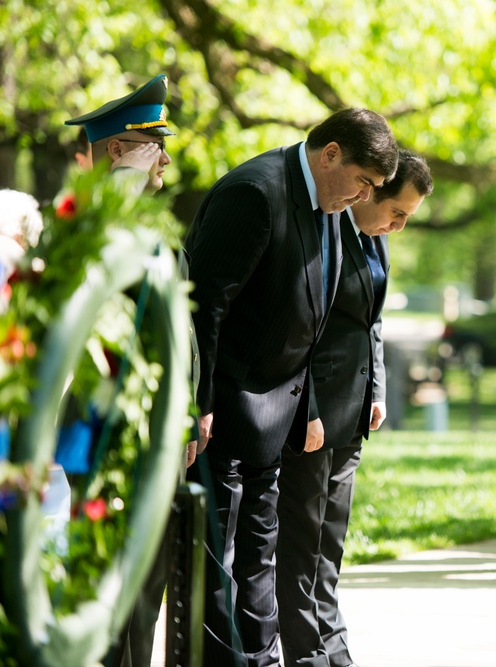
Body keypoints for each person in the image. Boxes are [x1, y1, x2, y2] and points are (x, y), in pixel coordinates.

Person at [185, 107, 398, 667]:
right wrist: (196, 405)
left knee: (260, 555)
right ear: (330, 154)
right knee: (218, 560)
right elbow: (204, 306)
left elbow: (312, 318)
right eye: (363, 182)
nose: (364, 197)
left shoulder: (328, 202)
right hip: (224, 410)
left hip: (278, 413)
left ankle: (261, 659)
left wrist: (306, 409)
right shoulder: (256, 193)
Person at [276, 150, 433, 667]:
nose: (399, 225)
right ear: (370, 193)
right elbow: (303, 330)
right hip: (312, 411)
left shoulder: (376, 240)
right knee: (301, 539)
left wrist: (380, 391)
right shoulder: (327, 227)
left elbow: (373, 322)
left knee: (330, 541)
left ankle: (332, 643)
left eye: (407, 217)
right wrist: (311, 409)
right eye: (397, 212)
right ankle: (307, 653)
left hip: (355, 409)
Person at [64, 73, 181, 667]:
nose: (165, 157)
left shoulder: (156, 233)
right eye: (152, 144)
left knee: (145, 594)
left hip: (150, 435)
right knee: (109, 589)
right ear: (118, 150)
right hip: (102, 431)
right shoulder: (91, 229)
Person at [65, 75, 173, 194]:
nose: (167, 160)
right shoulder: (82, 207)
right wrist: (127, 176)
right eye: (157, 146)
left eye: (163, 145)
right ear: (117, 151)